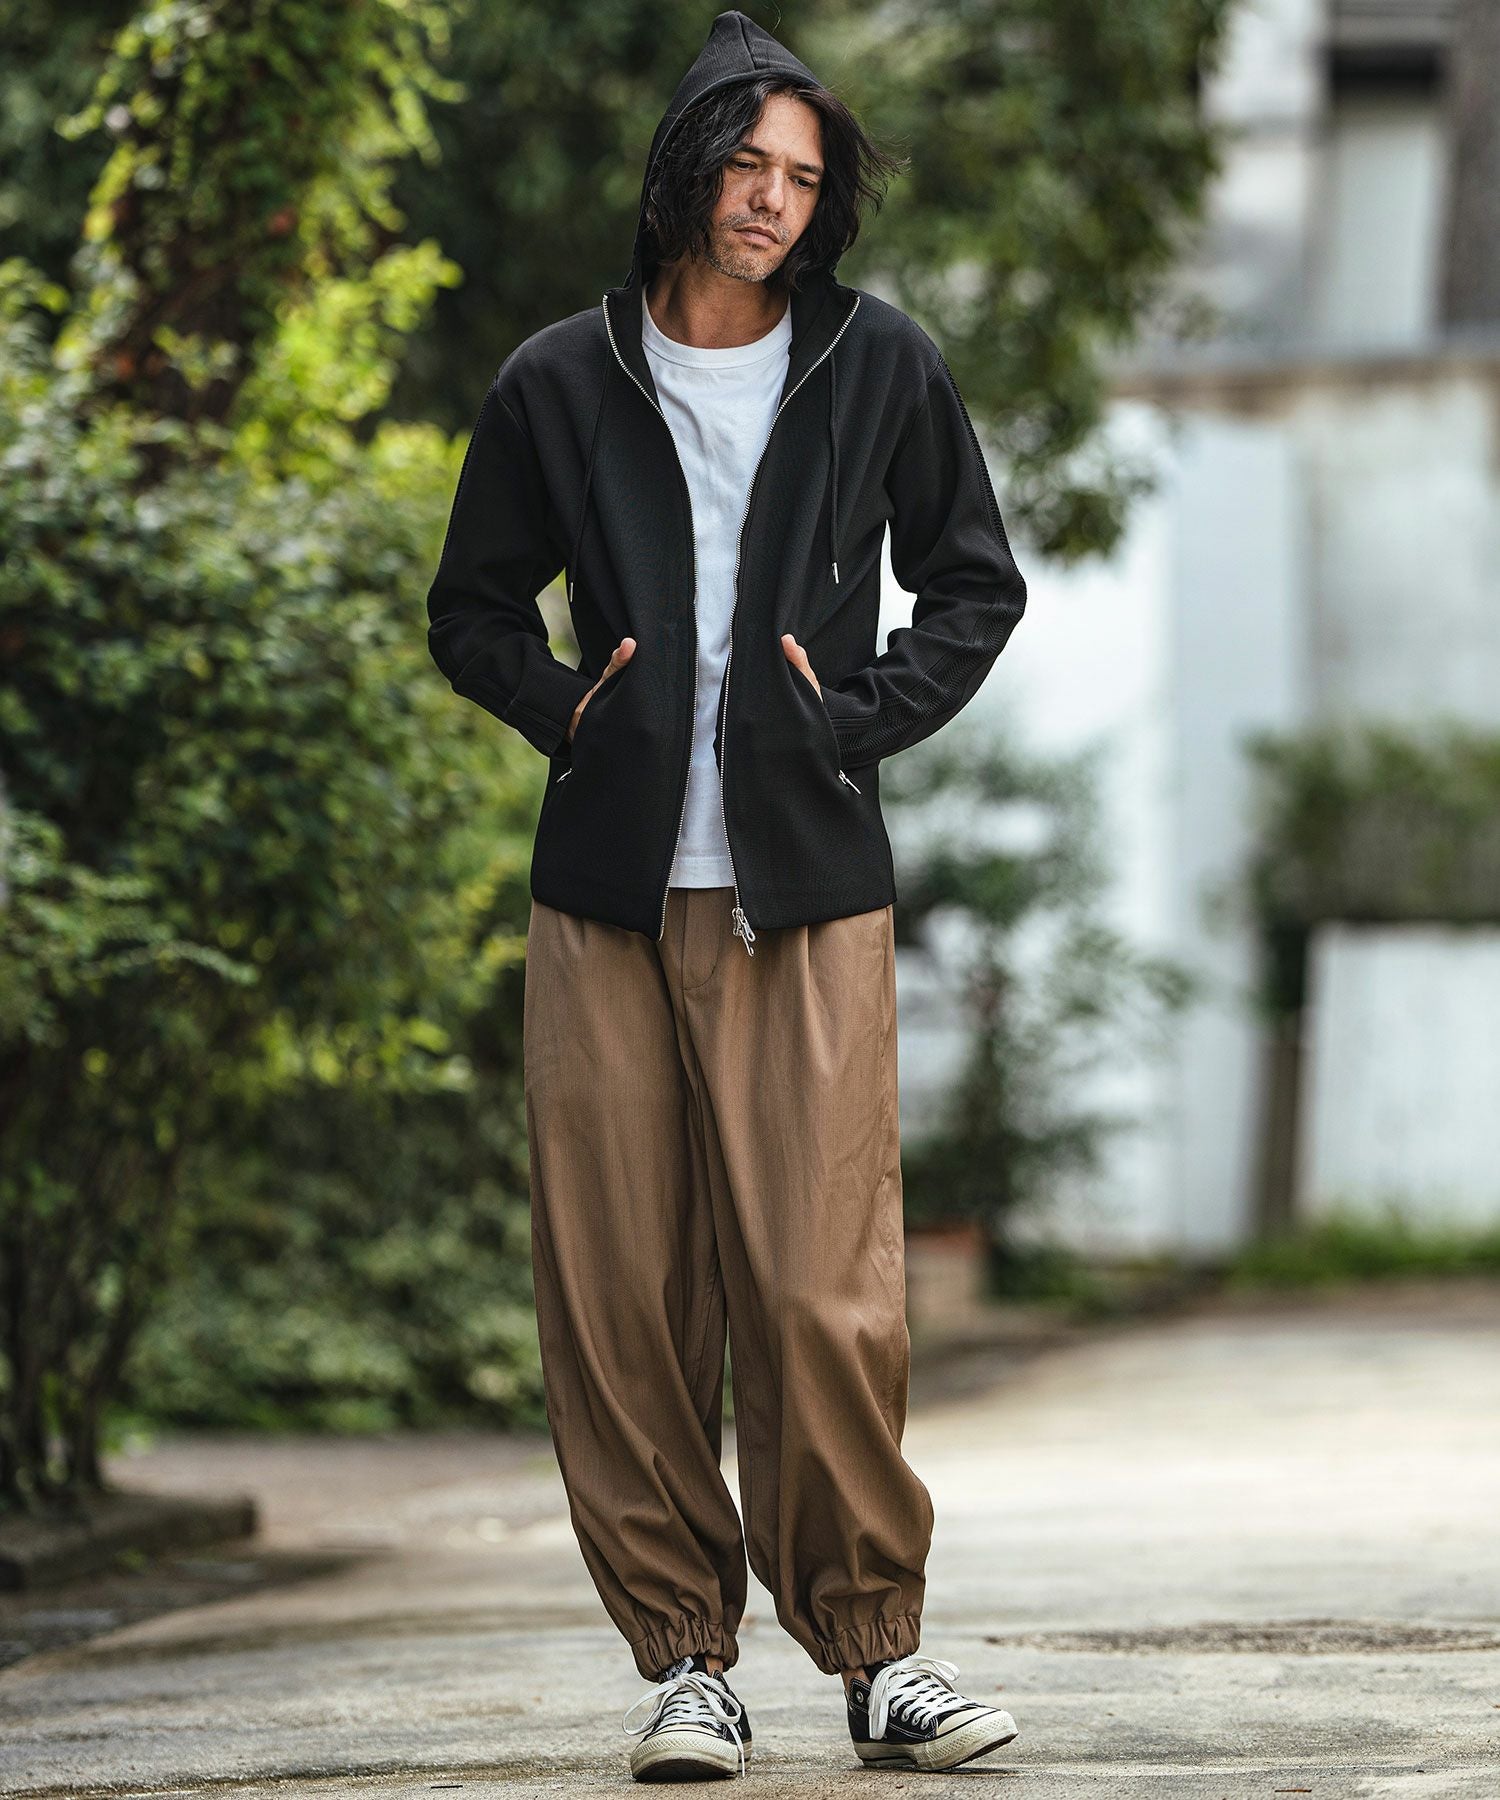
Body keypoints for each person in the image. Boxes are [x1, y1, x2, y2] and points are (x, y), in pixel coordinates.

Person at [426, 8, 1027, 1782]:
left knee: (824, 1293)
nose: (772, 200)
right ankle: (687, 1661)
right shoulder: (559, 380)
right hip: (607, 898)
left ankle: (876, 1656)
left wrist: (852, 722)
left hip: (806, 893)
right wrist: (570, 710)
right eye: (747, 165)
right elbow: (472, 612)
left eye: (803, 178)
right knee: (623, 1295)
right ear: (685, 171)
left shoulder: (878, 364)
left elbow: (974, 587)